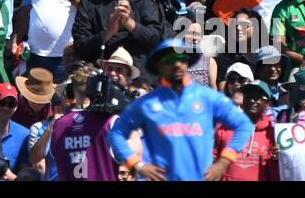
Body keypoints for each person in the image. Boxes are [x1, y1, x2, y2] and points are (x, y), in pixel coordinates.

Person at [108, 38, 253, 181]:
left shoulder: (207, 97)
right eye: (170, 60)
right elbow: (116, 134)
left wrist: (224, 162)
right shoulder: (146, 104)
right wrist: (136, 164)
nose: (177, 64)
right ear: (159, 66)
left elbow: (244, 125)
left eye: (181, 58)